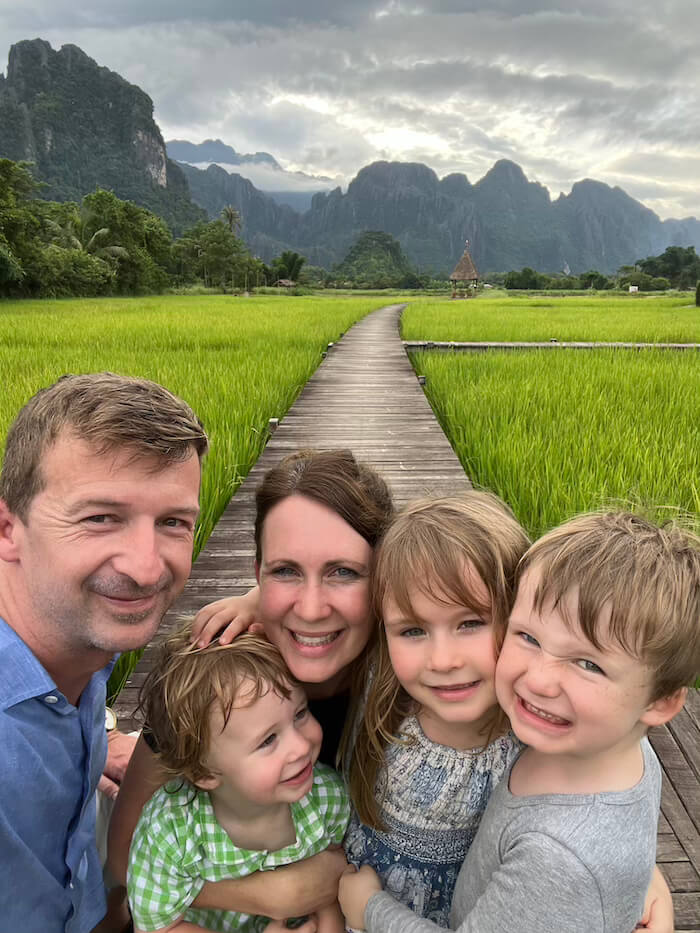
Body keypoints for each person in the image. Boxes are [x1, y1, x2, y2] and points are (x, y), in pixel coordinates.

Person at [339, 511, 699, 933]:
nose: (538, 680)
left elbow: (589, 847)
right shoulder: (592, 738)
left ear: (657, 701)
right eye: (528, 638)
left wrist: (369, 909)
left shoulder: (558, 849)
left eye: (588, 664)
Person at [108, 448, 394, 919]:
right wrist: (269, 895)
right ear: (258, 572)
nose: (311, 608)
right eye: (286, 571)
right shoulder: (218, 678)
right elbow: (123, 858)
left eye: (343, 572)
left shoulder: (413, 671)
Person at [0, 372, 208, 933]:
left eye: (173, 523)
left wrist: (100, 741)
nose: (145, 567)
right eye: (100, 518)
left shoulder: (76, 640)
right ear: (6, 528)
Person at [343, 493, 529, 926]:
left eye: (470, 623)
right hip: (348, 900)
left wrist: (641, 870)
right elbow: (317, 618)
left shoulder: (534, 740)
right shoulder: (383, 690)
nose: (443, 660)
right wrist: (254, 600)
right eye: (412, 630)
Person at [127, 630, 350, 933]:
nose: (300, 746)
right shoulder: (172, 830)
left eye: (299, 713)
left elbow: (330, 893)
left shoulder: (327, 797)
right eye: (268, 740)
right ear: (204, 774)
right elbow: (159, 927)